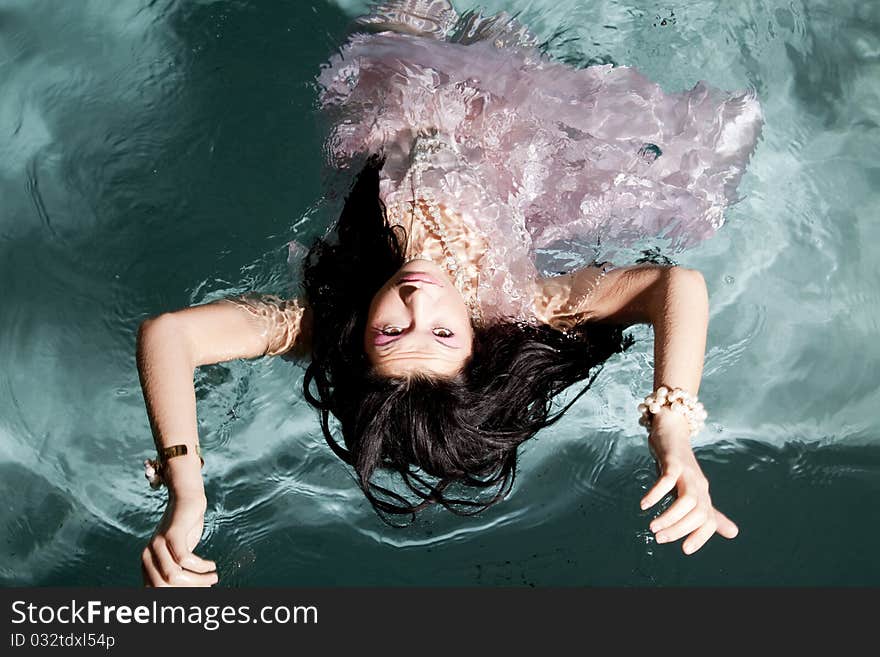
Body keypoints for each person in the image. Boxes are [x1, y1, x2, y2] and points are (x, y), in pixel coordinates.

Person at [137, 0, 763, 586]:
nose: (418, 303)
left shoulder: (322, 323)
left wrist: (186, 484)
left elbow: (171, 335)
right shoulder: (517, 305)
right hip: (508, 118)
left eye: (390, 332)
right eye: (442, 333)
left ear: (359, 340)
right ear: (476, 344)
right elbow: (674, 286)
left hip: (392, 82)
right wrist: (672, 432)